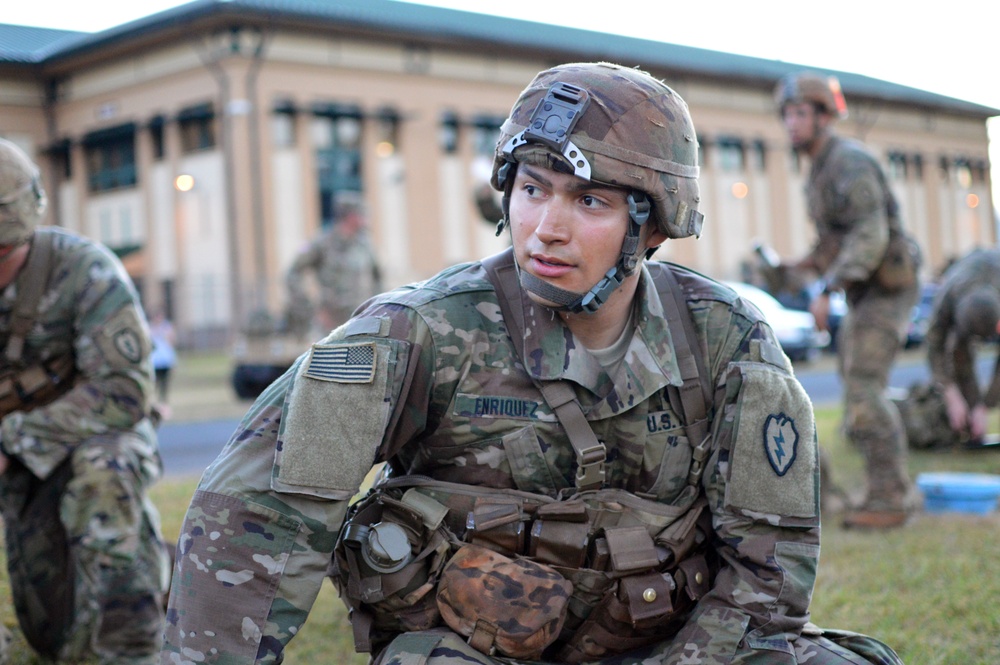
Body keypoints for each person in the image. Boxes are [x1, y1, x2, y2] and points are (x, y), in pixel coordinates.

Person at [162, 62, 902, 665]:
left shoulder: (727, 339)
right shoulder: (414, 333)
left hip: (675, 646)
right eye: (531, 189)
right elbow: (254, 515)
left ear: (651, 227)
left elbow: (766, 576)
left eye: (589, 201)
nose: (546, 227)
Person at [0, 138, 170, 663]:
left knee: (106, 467)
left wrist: (12, 439)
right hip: (17, 464)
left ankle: (133, 643)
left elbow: (124, 391)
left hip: (88, 439)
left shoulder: (85, 272)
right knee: (51, 635)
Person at [773, 71, 922, 530]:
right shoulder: (817, 174)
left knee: (861, 388)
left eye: (800, 114)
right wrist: (792, 268)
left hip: (887, 288)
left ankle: (891, 498)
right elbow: (831, 245)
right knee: (856, 386)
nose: (791, 125)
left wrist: (830, 287)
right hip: (864, 291)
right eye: (786, 116)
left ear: (823, 117)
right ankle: (883, 489)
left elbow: (870, 233)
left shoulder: (849, 161)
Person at [924, 248, 1000, 443]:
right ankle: (969, 419)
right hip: (961, 290)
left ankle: (976, 414)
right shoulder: (946, 298)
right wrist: (950, 393)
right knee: (959, 354)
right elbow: (934, 347)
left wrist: (986, 405)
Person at [284, 196, 383, 335]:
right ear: (350, 216)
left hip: (361, 320)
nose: (365, 220)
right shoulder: (322, 243)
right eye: (361, 215)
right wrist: (310, 308)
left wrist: (377, 308)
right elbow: (292, 274)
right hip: (330, 324)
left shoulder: (365, 245)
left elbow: (378, 277)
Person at [149, 309, 178, 411]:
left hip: (165, 361)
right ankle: (154, 404)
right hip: (155, 362)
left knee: (164, 385)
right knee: (154, 384)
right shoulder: (150, 328)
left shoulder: (167, 328)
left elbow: (172, 342)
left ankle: (164, 404)